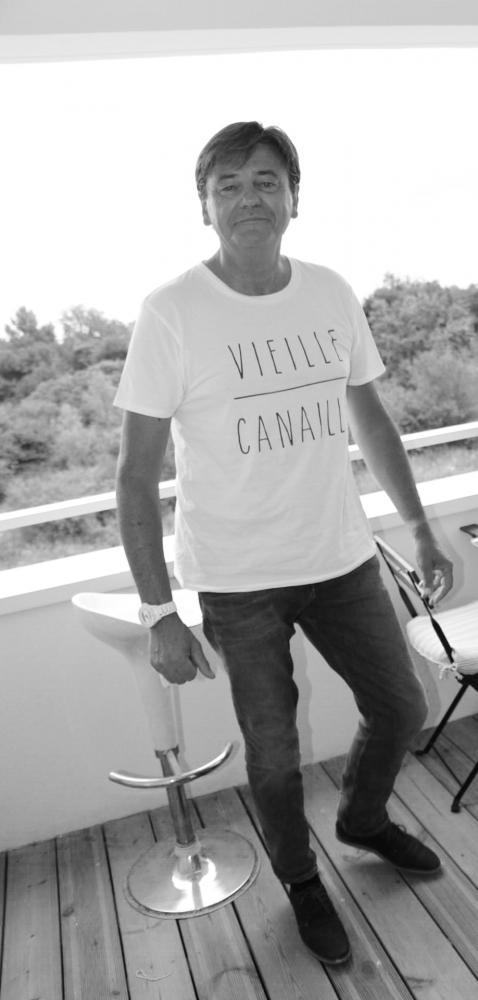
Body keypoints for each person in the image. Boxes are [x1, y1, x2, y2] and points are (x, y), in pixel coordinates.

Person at [114, 121, 453, 966]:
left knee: (403, 706)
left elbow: (370, 419)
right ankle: (301, 880)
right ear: (204, 207)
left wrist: (419, 526)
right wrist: (159, 612)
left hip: (340, 557)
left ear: (294, 197)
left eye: (267, 181)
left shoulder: (330, 292)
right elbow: (134, 476)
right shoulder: (171, 311)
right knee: (272, 755)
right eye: (227, 186)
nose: (249, 199)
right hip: (238, 580)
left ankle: (363, 820)